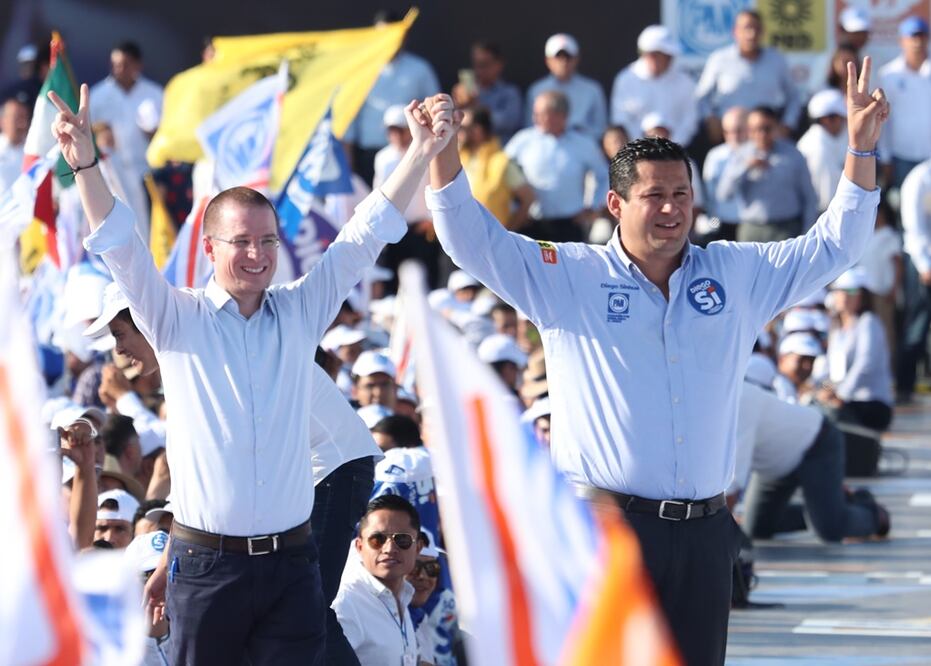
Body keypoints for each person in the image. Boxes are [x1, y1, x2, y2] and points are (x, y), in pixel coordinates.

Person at [420, 57, 887, 665]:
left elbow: (837, 245)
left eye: (681, 195)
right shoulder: (570, 277)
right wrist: (441, 152)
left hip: (705, 533)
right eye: (654, 196)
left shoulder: (735, 274)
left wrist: (860, 151)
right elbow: (470, 240)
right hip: (607, 529)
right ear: (615, 203)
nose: (671, 209)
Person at [50, 78, 455, 665]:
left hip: (292, 565)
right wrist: (85, 161)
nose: (257, 254)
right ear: (210, 248)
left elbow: (365, 233)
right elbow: (120, 244)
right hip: (207, 568)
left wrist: (420, 151)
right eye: (240, 241)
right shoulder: (173, 318)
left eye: (267, 240)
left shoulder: (299, 310)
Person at [734, 377, 890, 542]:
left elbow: (732, 485)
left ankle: (872, 513)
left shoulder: (741, 400)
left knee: (831, 530)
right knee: (756, 529)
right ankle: (827, 508)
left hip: (815, 445)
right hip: (775, 464)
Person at [344, 10, 440, 185]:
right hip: (367, 155)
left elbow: (433, 107)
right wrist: (347, 162)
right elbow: (349, 117)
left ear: (404, 36)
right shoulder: (361, 70)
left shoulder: (420, 69)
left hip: (409, 152)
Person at [506, 89, 609, 242]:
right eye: (535, 113)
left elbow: (604, 175)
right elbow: (501, 171)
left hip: (569, 225)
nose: (535, 118)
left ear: (561, 116)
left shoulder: (583, 143)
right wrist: (515, 209)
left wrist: (593, 208)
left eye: (541, 114)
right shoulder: (522, 140)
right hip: (531, 223)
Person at [332, 495, 423, 666]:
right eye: (377, 540)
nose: (389, 549)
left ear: (417, 547)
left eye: (401, 539)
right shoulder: (346, 602)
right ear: (359, 546)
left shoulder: (404, 594)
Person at [696, 10, 802, 143]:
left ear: (763, 32)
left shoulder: (777, 60)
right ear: (735, 31)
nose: (752, 34)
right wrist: (710, 119)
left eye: (756, 28)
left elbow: (794, 96)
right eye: (747, 28)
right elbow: (702, 97)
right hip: (731, 136)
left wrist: (787, 125)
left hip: (766, 137)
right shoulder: (719, 59)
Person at [717, 106, 818, 242]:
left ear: (776, 127)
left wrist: (808, 233)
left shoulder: (793, 155)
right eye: (756, 129)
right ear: (749, 130)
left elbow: (809, 197)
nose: (761, 134)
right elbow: (723, 194)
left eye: (766, 128)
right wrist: (745, 168)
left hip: (786, 229)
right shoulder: (740, 156)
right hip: (752, 230)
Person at [818, 268, 895, 431]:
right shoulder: (837, 328)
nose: (845, 296)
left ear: (863, 296)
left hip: (870, 403)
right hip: (844, 400)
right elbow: (829, 368)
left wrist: (841, 395)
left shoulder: (868, 322)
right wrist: (821, 388)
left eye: (852, 291)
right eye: (840, 291)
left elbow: (865, 363)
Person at [610, 25, 698, 147]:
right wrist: (643, 149)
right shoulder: (626, 79)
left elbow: (689, 122)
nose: (668, 59)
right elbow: (621, 120)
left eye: (669, 55)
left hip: (675, 154)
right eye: (661, 54)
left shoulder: (685, 81)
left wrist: (670, 149)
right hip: (635, 153)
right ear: (647, 54)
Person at [457, 106, 534, 231]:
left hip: (492, 241)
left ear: (478, 130)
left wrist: (508, 233)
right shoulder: (457, 157)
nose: (458, 131)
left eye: (463, 127)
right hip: (460, 238)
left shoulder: (502, 162)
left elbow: (528, 198)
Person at [877, 17, 931, 189]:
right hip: (901, 157)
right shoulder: (888, 75)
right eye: (913, 36)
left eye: (922, 36)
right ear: (902, 40)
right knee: (903, 210)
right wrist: (885, 157)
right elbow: (884, 119)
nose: (917, 42)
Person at [524, 33, 607, 141]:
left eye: (568, 57)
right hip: (545, 146)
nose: (564, 62)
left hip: (582, 147)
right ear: (547, 60)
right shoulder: (536, 90)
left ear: (577, 59)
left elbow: (600, 129)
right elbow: (530, 127)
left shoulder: (593, 90)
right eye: (558, 57)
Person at [897, 157, 931, 402]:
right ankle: (904, 386)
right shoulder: (920, 178)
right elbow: (914, 227)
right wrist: (924, 265)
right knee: (917, 327)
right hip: (923, 265)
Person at [451, 41, 522, 142]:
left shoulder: (510, 93)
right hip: (467, 152)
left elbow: (509, 122)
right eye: (477, 65)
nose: (479, 70)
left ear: (499, 64)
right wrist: (457, 106)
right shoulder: (466, 90)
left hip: (499, 151)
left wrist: (476, 108)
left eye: (484, 64)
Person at [797, 89, 849, 214]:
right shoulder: (817, 148)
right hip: (823, 215)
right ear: (827, 120)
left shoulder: (829, 139)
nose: (844, 123)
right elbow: (826, 199)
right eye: (841, 118)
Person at [702, 106, 747, 242]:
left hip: (752, 224)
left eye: (739, 130)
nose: (734, 136)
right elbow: (709, 194)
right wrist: (713, 222)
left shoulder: (760, 154)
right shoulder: (715, 156)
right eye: (729, 132)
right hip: (723, 224)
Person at [0, 91, 29, 193]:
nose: (22, 124)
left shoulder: (33, 149)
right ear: (2, 121)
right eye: (17, 118)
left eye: (24, 117)